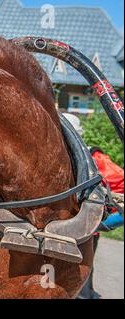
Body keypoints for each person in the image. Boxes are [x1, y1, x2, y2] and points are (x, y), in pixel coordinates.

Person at [63, 113, 124, 299]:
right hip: (55, 230)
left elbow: (121, 184)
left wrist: (106, 222)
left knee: (79, 279)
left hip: (85, 231)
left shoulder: (95, 160)